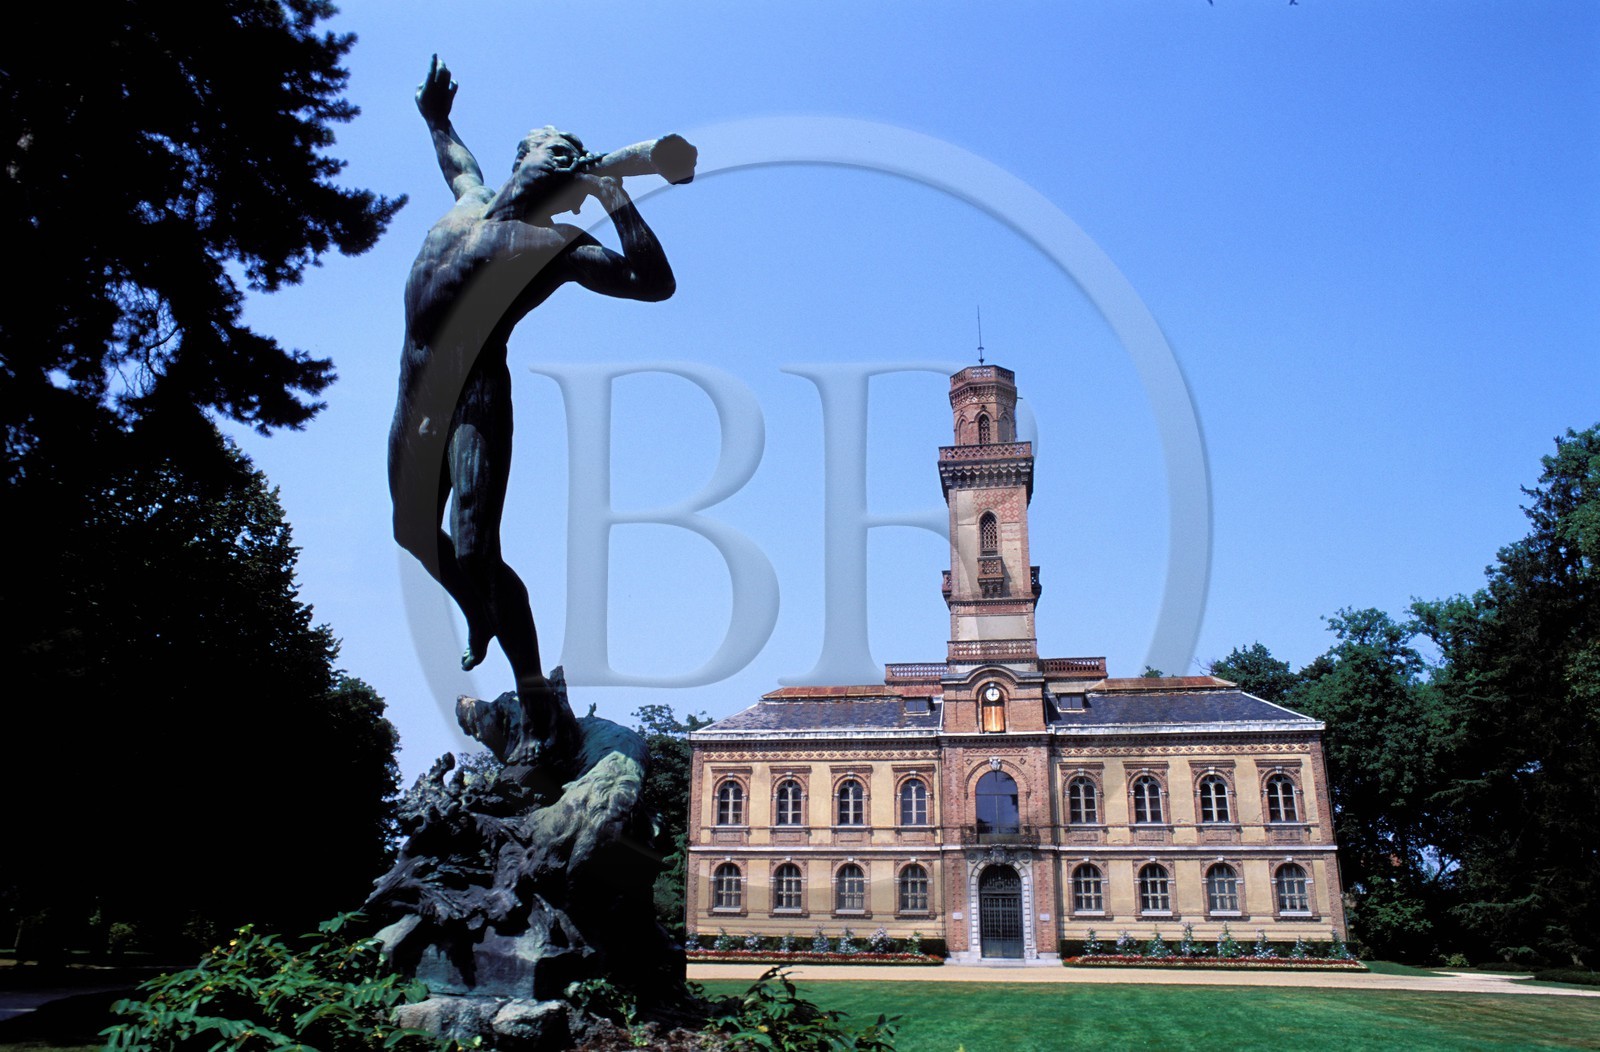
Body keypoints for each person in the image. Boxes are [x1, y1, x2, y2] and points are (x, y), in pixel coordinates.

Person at [388, 56, 676, 759]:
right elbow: (458, 164)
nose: (567, 158)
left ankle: (536, 699)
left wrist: (615, 196)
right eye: (558, 149)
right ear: (526, 157)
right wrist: (437, 120)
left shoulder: (556, 247)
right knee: (412, 533)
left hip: (475, 400)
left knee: (474, 548)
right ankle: (477, 610)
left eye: (575, 155)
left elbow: (654, 283)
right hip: (414, 397)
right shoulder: (468, 203)